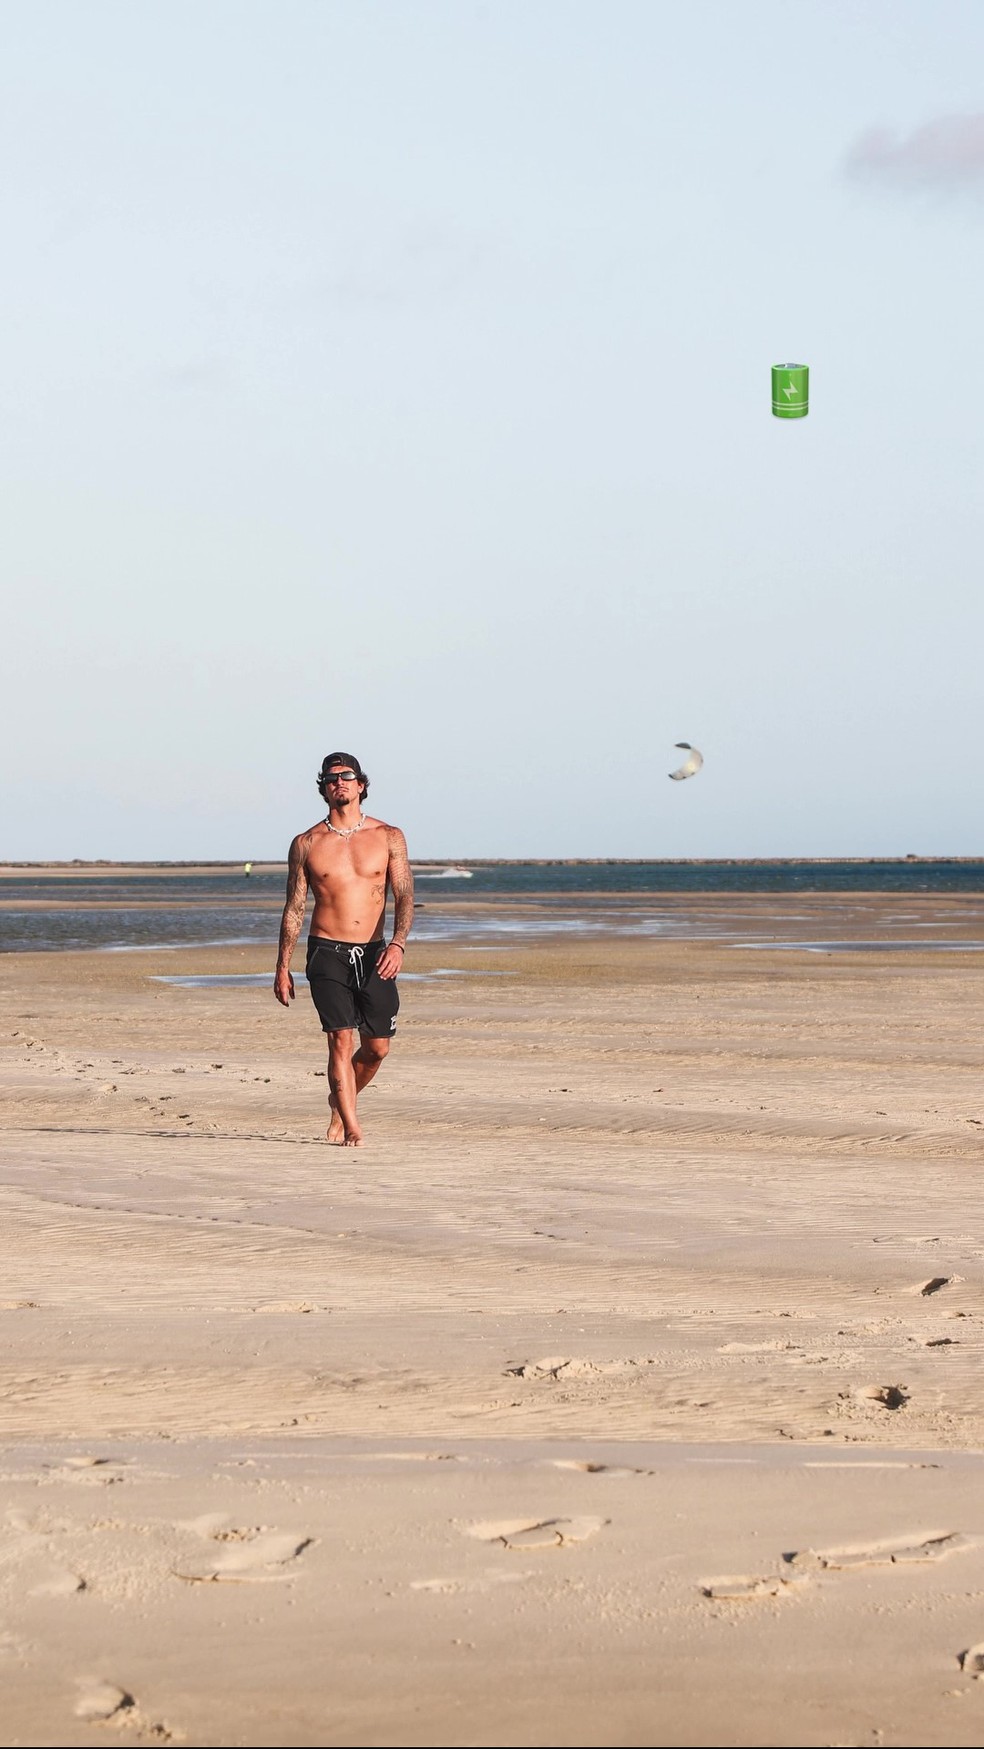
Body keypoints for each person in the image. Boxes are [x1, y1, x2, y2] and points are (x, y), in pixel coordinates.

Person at [274, 752, 413, 1146]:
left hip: (374, 952)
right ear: (324, 788)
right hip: (325, 952)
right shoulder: (306, 843)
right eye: (332, 778)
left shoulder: (389, 837)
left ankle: (339, 1100)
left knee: (377, 1049)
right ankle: (350, 1125)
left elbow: (403, 895)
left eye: (347, 776)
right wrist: (282, 966)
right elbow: (294, 907)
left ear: (361, 784)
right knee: (340, 1039)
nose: (340, 782)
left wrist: (399, 944)